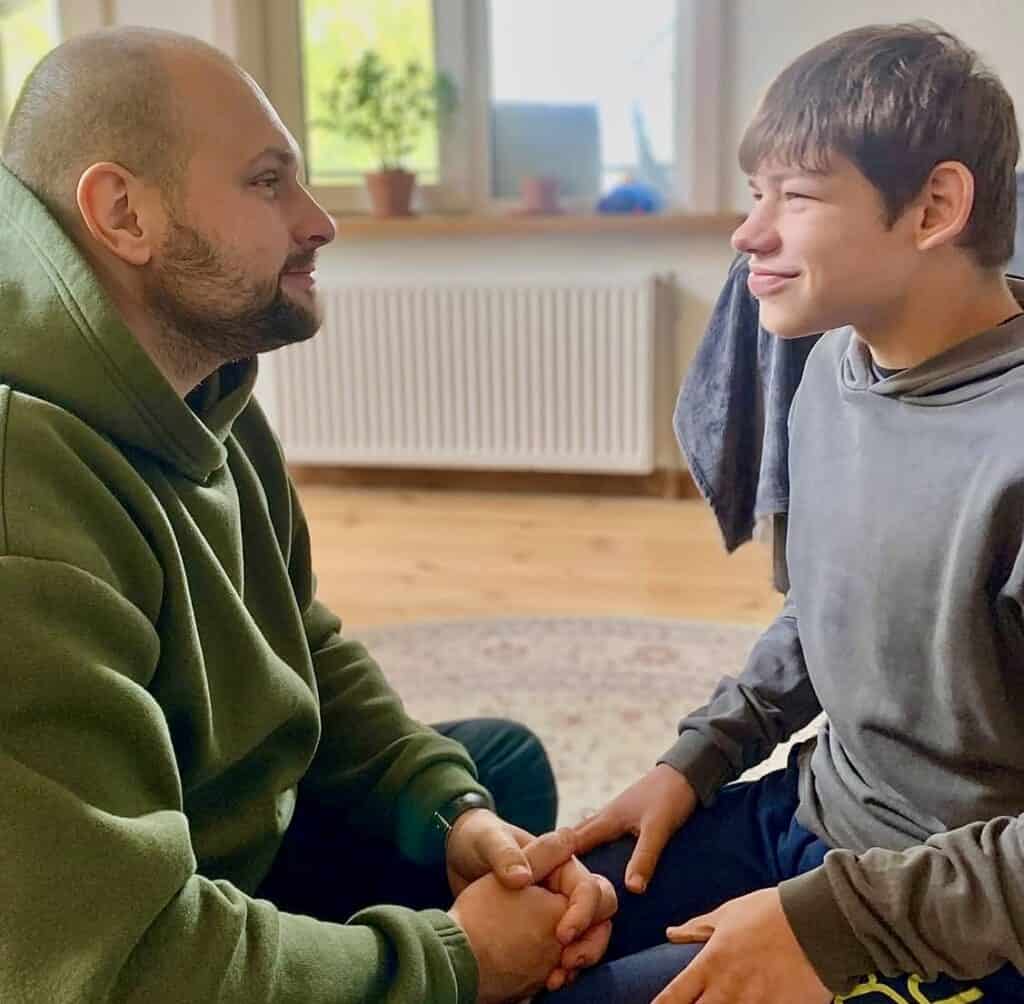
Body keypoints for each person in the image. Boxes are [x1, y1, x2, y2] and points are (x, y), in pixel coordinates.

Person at [0, 27, 616, 1004]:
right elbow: (117, 967)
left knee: (499, 776)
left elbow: (299, 642)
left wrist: (447, 808)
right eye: (267, 182)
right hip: (145, 935)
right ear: (123, 213)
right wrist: (455, 963)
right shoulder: (22, 502)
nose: (319, 220)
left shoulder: (205, 386)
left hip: (221, 850)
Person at [548, 21, 1024, 1004]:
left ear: (935, 206)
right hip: (814, 813)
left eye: (795, 196)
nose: (747, 233)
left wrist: (830, 926)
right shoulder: (830, 368)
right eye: (753, 192)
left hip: (959, 907)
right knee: (528, 935)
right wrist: (695, 760)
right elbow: (826, 610)